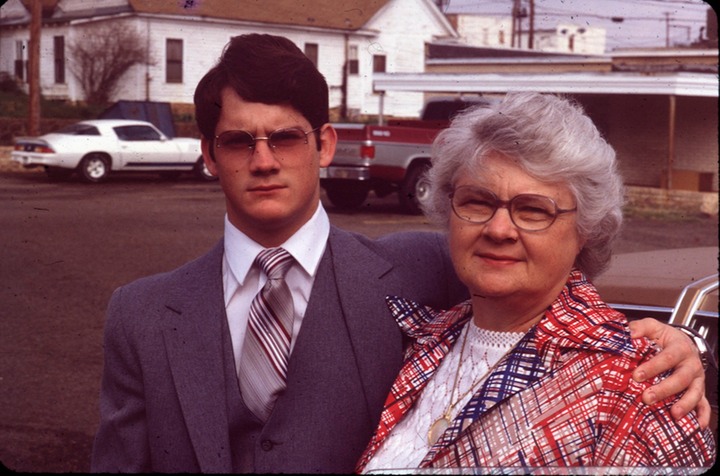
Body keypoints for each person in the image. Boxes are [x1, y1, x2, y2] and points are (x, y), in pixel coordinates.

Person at [90, 35, 708, 473]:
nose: (264, 159)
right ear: (208, 153)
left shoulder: (417, 271)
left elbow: (551, 301)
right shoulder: (142, 314)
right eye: (236, 141)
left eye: (285, 136)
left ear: (325, 144)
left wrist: (673, 345)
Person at [357, 92, 715, 473]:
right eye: (478, 201)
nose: (498, 229)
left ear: (586, 230)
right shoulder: (421, 339)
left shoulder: (633, 385)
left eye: (532, 210)